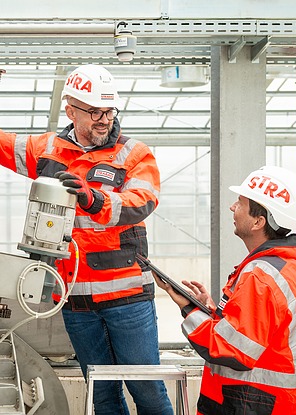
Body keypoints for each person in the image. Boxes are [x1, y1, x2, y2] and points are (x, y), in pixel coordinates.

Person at [0, 64, 173, 415]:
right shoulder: (47, 149)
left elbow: (142, 202)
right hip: (76, 301)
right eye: (94, 111)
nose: (104, 119)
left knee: (148, 391)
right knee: (103, 395)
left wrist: (94, 199)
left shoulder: (134, 154)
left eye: (109, 111)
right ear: (71, 110)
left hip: (127, 298)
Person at [154, 165, 296, 415]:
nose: (232, 207)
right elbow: (256, 332)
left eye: (240, 203)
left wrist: (187, 308)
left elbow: (232, 350)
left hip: (250, 403)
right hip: (267, 402)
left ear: (259, 221)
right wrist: (209, 309)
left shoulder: (260, 277)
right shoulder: (287, 266)